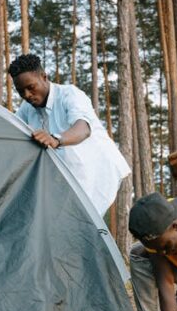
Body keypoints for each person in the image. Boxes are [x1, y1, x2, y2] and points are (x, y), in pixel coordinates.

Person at [10, 54, 129, 214]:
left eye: (31, 87)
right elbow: (13, 133)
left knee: (87, 227)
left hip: (97, 174)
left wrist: (56, 139)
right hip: (68, 180)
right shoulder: (27, 108)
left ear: (44, 77)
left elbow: (83, 128)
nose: (27, 95)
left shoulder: (70, 94)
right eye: (20, 91)